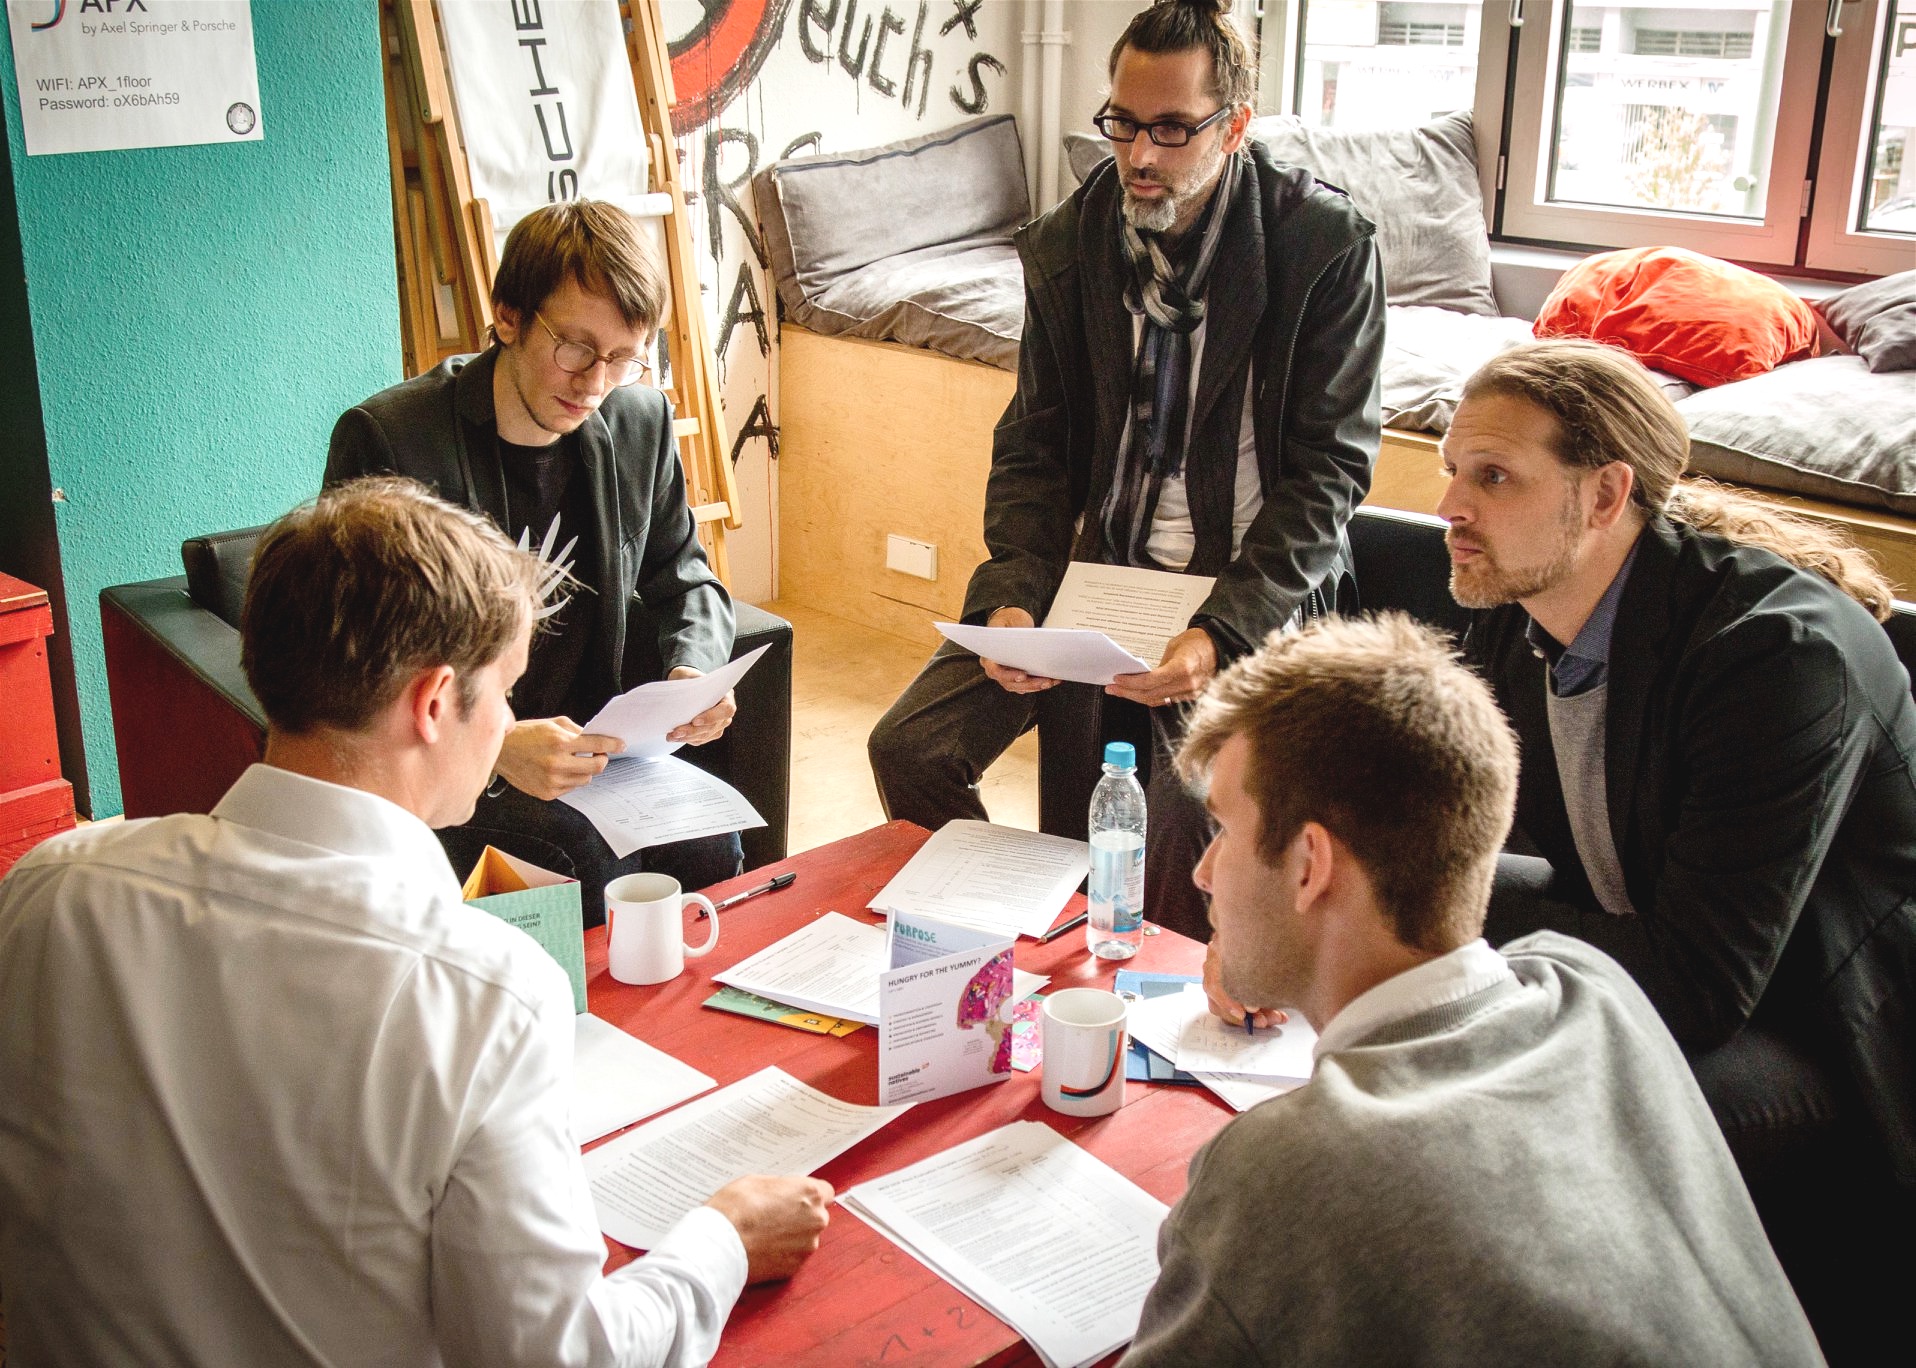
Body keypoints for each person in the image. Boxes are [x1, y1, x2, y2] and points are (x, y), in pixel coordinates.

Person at [0, 478, 831, 1366]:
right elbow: (552, 1358)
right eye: (507, 691)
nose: (511, 719)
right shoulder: (483, 993)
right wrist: (722, 1242)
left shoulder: (52, 888)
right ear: (435, 705)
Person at [1123, 615, 1821, 1365]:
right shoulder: (1596, 993)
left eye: (1223, 829)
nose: (1200, 872)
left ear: (1309, 864)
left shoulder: (1281, 1169)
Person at [1437, 338, 1915, 1357]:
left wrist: (1431, 903)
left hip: (1823, 1032)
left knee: (1519, 1129)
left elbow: (1698, 986)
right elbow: (1474, 839)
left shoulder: (1774, 656)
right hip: (1655, 956)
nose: (1450, 507)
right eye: (1449, 470)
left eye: (1491, 476)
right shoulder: (1514, 616)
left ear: (1604, 495)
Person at [868, 0, 1385, 940]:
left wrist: (1219, 630)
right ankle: (1031, 939)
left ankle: (1157, 994)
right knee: (913, 748)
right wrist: (1014, 600)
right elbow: (1034, 445)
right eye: (1122, 123)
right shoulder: (1072, 243)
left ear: (1234, 126)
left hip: (1245, 588)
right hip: (1095, 576)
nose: (1139, 156)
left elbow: (1330, 478)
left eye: (1171, 130)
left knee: (1181, 813)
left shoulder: (1323, 250)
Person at [328, 199, 740, 925]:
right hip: (456, 759)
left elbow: (683, 571)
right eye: (575, 347)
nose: (594, 383)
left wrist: (691, 672)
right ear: (509, 316)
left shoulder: (636, 420)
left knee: (710, 846)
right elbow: (355, 662)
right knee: (584, 856)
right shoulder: (393, 442)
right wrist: (495, 746)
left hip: (597, 751)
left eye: (622, 357)